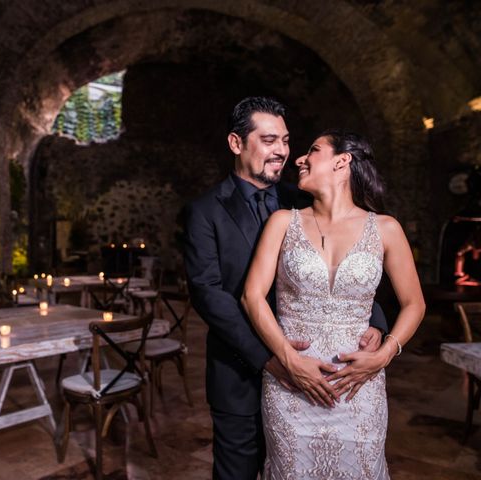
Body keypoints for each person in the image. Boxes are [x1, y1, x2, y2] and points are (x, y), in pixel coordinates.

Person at [182, 97, 387, 480]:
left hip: (314, 377)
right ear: (236, 143)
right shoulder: (204, 211)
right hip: (240, 372)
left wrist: (375, 321)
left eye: (286, 141)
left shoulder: (302, 199)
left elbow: (351, 259)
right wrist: (271, 358)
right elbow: (208, 295)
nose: (282, 152)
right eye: (269, 140)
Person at [242, 129, 425, 478]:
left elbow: (414, 303)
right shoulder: (283, 222)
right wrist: (288, 358)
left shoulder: (386, 229)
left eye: (312, 150)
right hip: (291, 388)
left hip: (359, 388)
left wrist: (383, 355)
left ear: (343, 161)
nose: (299, 158)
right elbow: (252, 296)